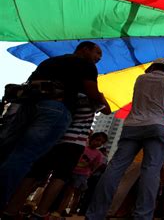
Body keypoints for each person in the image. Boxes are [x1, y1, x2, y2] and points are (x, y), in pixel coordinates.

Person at [0, 41, 110, 211]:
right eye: (97, 53)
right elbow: (93, 93)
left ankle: (11, 207)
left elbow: (31, 81)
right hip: (55, 109)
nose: (98, 59)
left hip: (27, 106)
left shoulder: (51, 61)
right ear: (85, 49)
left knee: (11, 153)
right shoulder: (86, 65)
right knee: (25, 156)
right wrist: (100, 97)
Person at [86, 58, 164, 220]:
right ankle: (143, 216)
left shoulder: (141, 79)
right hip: (157, 126)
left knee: (115, 168)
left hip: (132, 126)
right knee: (151, 170)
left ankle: (95, 214)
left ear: (152, 67)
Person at [2, 93, 101, 219]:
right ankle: (40, 213)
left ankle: (11, 209)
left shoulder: (65, 95)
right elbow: (107, 109)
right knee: (60, 177)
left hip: (54, 139)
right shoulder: (92, 99)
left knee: (34, 173)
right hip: (74, 144)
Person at [55, 132, 108, 216]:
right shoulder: (82, 147)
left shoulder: (98, 154)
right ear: (91, 139)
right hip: (71, 171)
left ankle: (59, 212)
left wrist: (90, 173)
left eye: (101, 142)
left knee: (70, 193)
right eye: (97, 140)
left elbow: (96, 165)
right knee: (61, 190)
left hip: (81, 175)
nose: (99, 143)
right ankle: (56, 209)